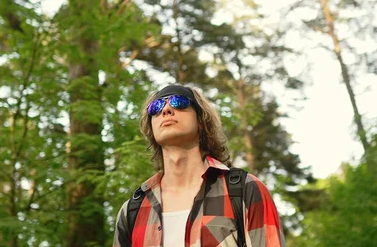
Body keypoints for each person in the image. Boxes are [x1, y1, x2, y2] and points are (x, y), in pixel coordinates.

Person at [112, 84, 285, 247]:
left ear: (201, 121)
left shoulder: (245, 191)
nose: (165, 110)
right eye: (155, 108)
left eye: (178, 102)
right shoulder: (132, 210)